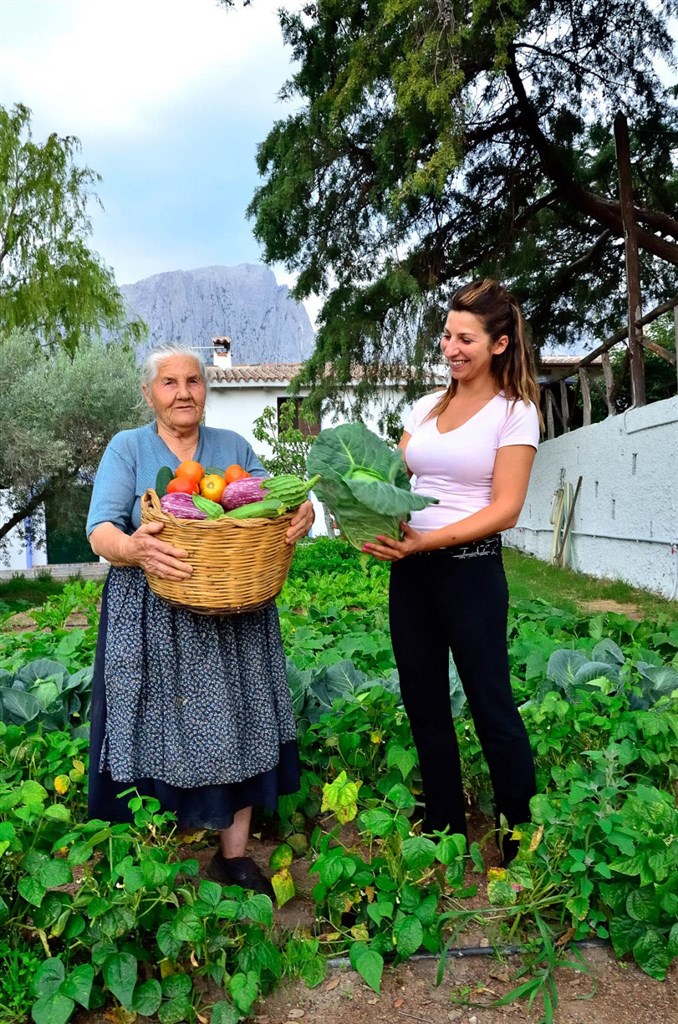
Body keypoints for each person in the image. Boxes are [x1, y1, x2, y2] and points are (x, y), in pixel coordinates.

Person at [86, 342, 314, 895]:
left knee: (242, 721)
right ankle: (148, 860)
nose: (183, 392)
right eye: (169, 382)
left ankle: (232, 857)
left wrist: (300, 512)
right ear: (149, 394)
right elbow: (100, 529)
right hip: (152, 614)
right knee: (149, 723)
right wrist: (134, 548)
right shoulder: (127, 447)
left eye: (193, 380)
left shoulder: (232, 446)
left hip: (234, 608)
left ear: (205, 389)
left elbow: (271, 504)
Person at [362, 279, 541, 864]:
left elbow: (506, 509)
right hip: (412, 572)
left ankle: (520, 837)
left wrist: (428, 540)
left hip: (470, 572)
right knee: (423, 700)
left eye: (466, 338)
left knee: (491, 703)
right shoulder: (425, 407)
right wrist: (366, 513)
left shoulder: (515, 413)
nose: (450, 348)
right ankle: (445, 827)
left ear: (499, 344)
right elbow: (394, 478)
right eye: (446, 335)